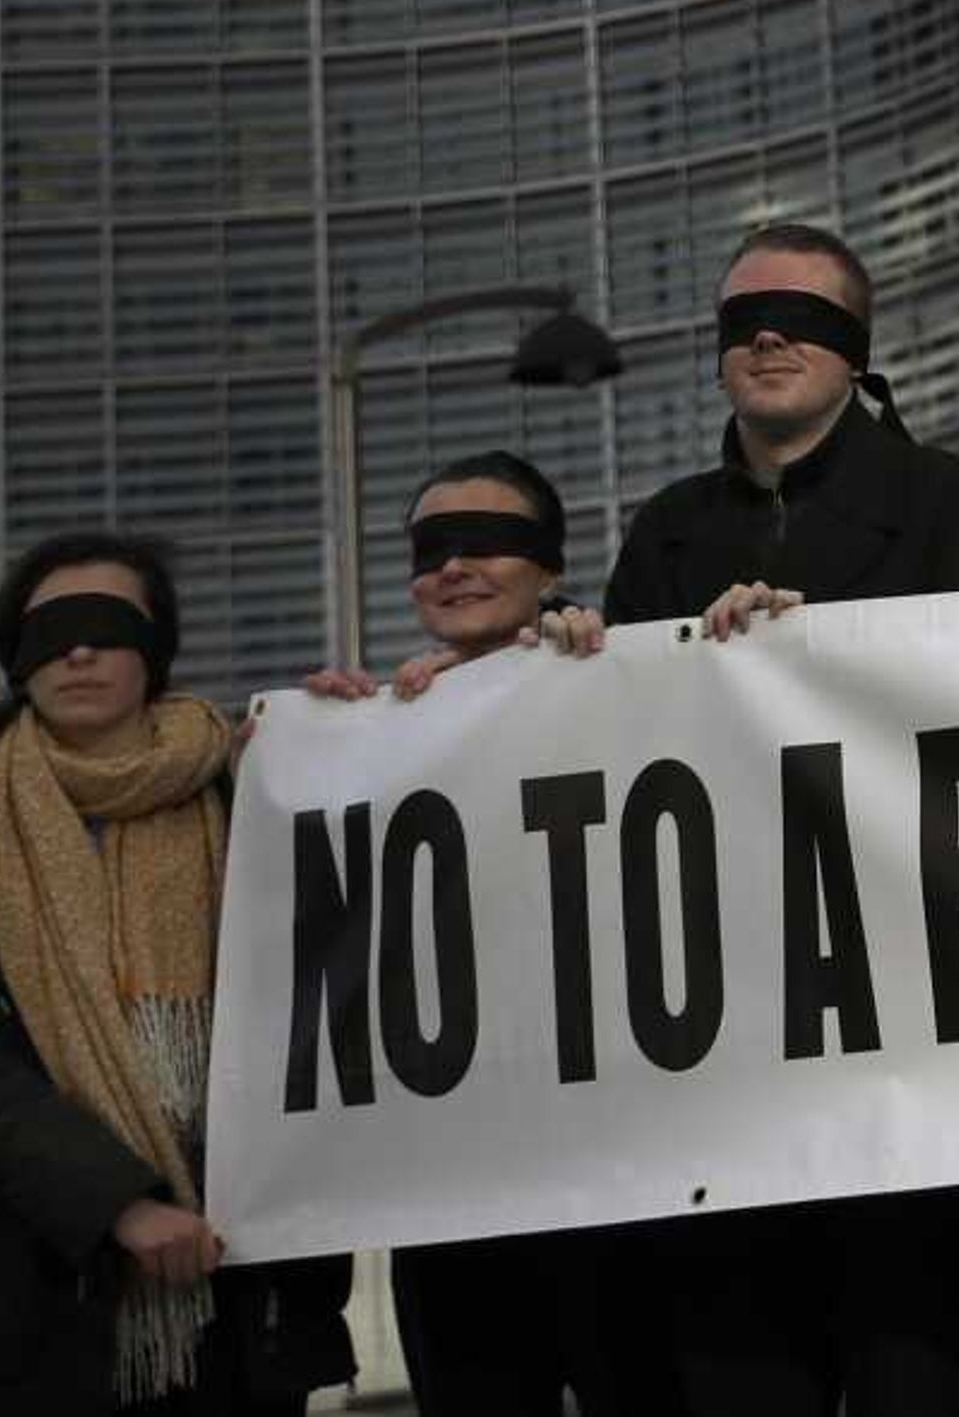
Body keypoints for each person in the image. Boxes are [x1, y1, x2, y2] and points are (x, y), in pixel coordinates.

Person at [598, 222, 959, 1417]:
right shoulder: (669, 526)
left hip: (897, 1003)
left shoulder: (946, 498)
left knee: (906, 1359)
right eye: (742, 319)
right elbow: (615, 742)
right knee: (737, 1362)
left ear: (858, 348)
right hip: (724, 1022)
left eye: (802, 314)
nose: (769, 334)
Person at [0, 532, 355, 1417]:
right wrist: (118, 1205)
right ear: (16, 661)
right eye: (50, 631)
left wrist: (349, 732)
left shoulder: (251, 784)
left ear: (156, 651)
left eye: (106, 626)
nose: (79, 649)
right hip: (30, 1301)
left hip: (240, 1297)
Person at [294, 454, 647, 1417]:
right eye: (431, 549)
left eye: (489, 542)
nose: (455, 566)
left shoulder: (639, 683)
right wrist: (303, 753)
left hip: (629, 1190)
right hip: (459, 1202)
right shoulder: (373, 731)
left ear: (549, 566)